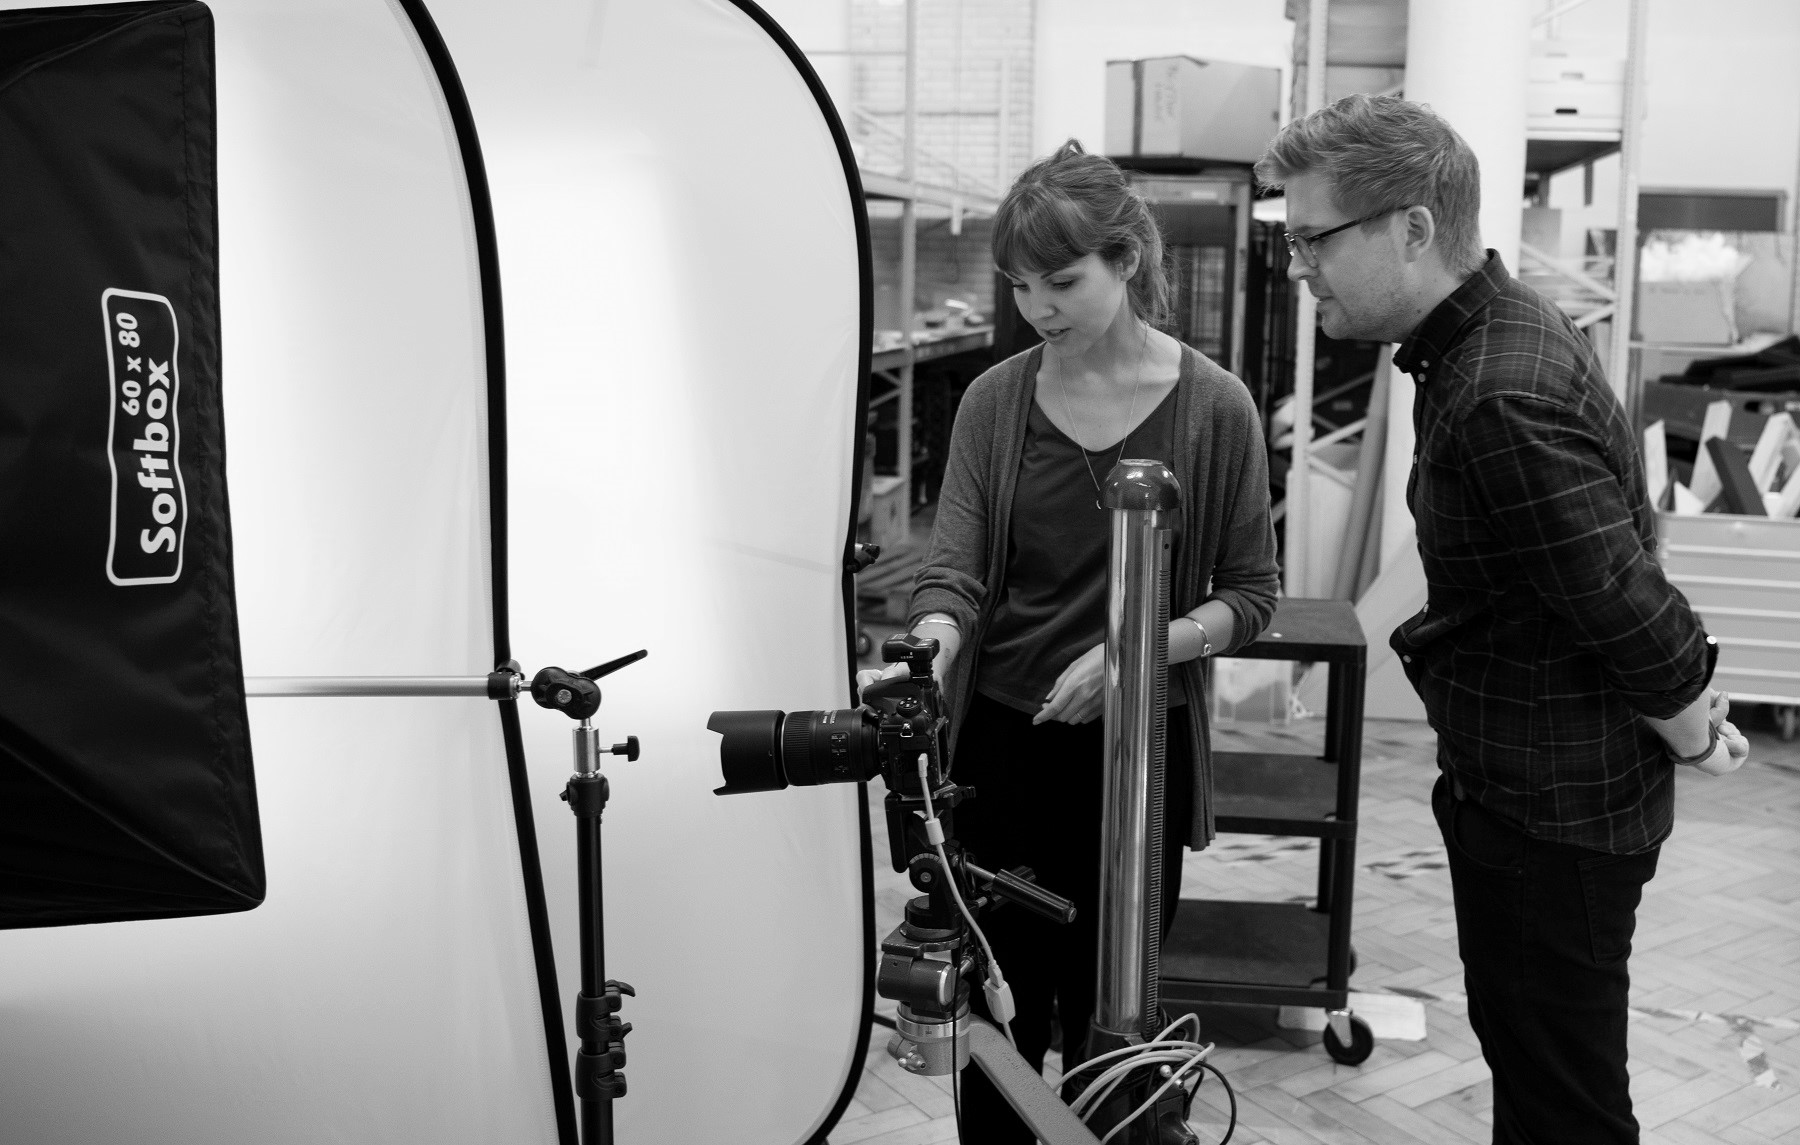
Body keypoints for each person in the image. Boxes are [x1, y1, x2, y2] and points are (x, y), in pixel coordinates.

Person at [1254, 94, 1751, 1144]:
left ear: (1412, 228)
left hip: (1551, 818)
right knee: (1539, 1077)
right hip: (1534, 794)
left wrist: (1697, 725)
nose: (1299, 267)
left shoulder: (1495, 391)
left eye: (1314, 239)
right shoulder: (1489, 339)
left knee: (1564, 1105)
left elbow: (1625, 604)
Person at [860, 139, 1280, 1144]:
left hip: (1138, 762)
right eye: (1020, 285)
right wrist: (933, 643)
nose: (1038, 306)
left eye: (1061, 281)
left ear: (1126, 259)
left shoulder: (1215, 406)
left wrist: (1136, 652)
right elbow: (954, 571)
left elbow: (1250, 596)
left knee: (1115, 1023)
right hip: (1004, 750)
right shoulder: (996, 401)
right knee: (999, 1021)